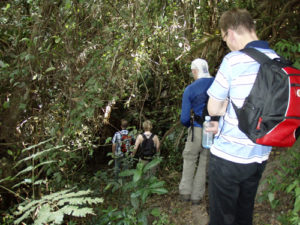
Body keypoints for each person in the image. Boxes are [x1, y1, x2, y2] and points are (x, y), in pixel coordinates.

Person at [206, 8, 279, 225]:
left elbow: (213, 107)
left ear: (231, 33)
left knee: (221, 218)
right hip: (259, 156)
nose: (227, 43)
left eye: (224, 38)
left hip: (228, 159)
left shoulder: (234, 60)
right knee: (244, 215)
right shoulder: (277, 61)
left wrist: (225, 106)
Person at [179, 58, 214, 205]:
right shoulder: (217, 83)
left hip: (197, 130)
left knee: (189, 158)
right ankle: (196, 197)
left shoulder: (190, 89)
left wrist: (190, 125)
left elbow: (184, 118)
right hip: (213, 130)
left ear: (195, 71)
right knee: (205, 161)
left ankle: (185, 192)